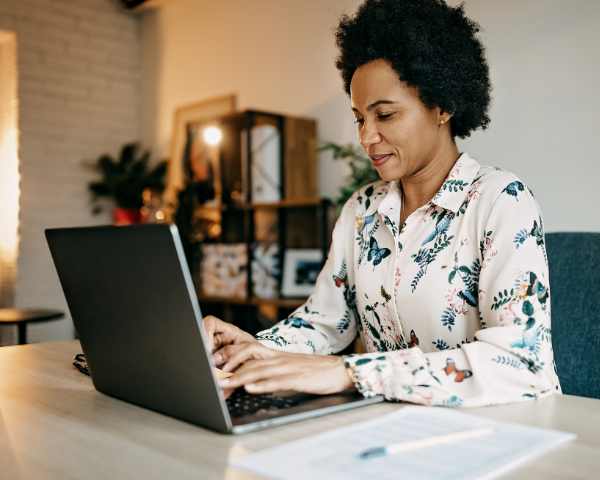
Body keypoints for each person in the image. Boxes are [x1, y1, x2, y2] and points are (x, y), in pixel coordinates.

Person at [206, 0, 561, 407]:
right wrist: (247, 348)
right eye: (360, 118)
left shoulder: (501, 200)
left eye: (385, 115)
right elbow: (325, 324)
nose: (366, 137)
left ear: (442, 106)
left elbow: (521, 363)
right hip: (400, 426)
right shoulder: (362, 210)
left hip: (506, 428)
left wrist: (350, 373)